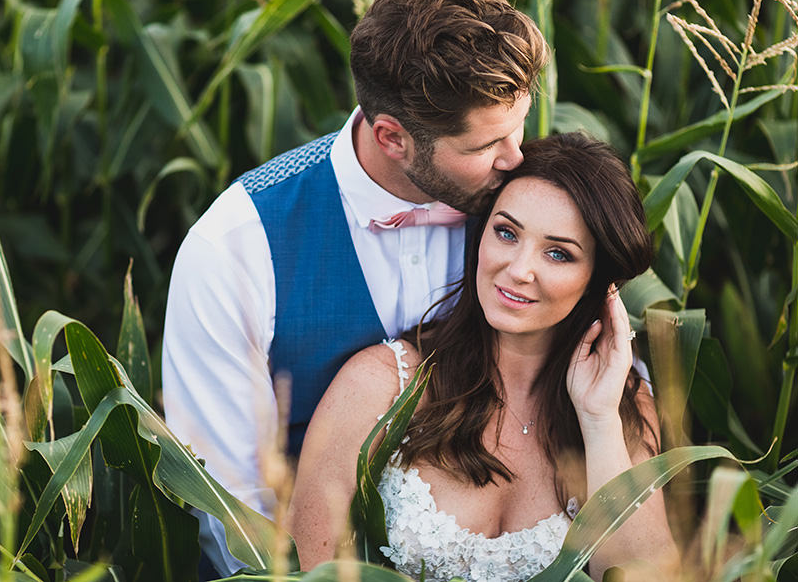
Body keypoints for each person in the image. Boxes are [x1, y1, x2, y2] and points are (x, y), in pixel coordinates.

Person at [161, 0, 547, 575]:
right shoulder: (235, 245)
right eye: (482, 147)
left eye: (519, 126)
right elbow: (229, 508)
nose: (517, 157)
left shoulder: (530, 208)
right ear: (392, 136)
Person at [287, 133, 678, 581]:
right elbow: (307, 571)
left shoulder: (623, 404)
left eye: (557, 253)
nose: (517, 270)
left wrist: (599, 418)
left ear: (597, 280)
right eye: (506, 233)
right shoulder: (382, 386)